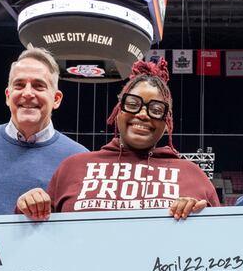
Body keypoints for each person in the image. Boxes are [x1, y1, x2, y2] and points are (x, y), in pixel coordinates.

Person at [16, 59, 219, 218]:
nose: (143, 114)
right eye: (133, 104)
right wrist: (28, 207)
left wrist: (202, 219)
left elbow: (221, 244)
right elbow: (35, 240)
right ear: (118, 112)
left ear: (167, 122)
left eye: (156, 109)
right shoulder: (73, 168)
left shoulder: (194, 176)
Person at [0, 47, 87, 216]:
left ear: (56, 99)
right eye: (19, 85)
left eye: (38, 86)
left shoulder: (79, 159)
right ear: (7, 96)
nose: (27, 93)